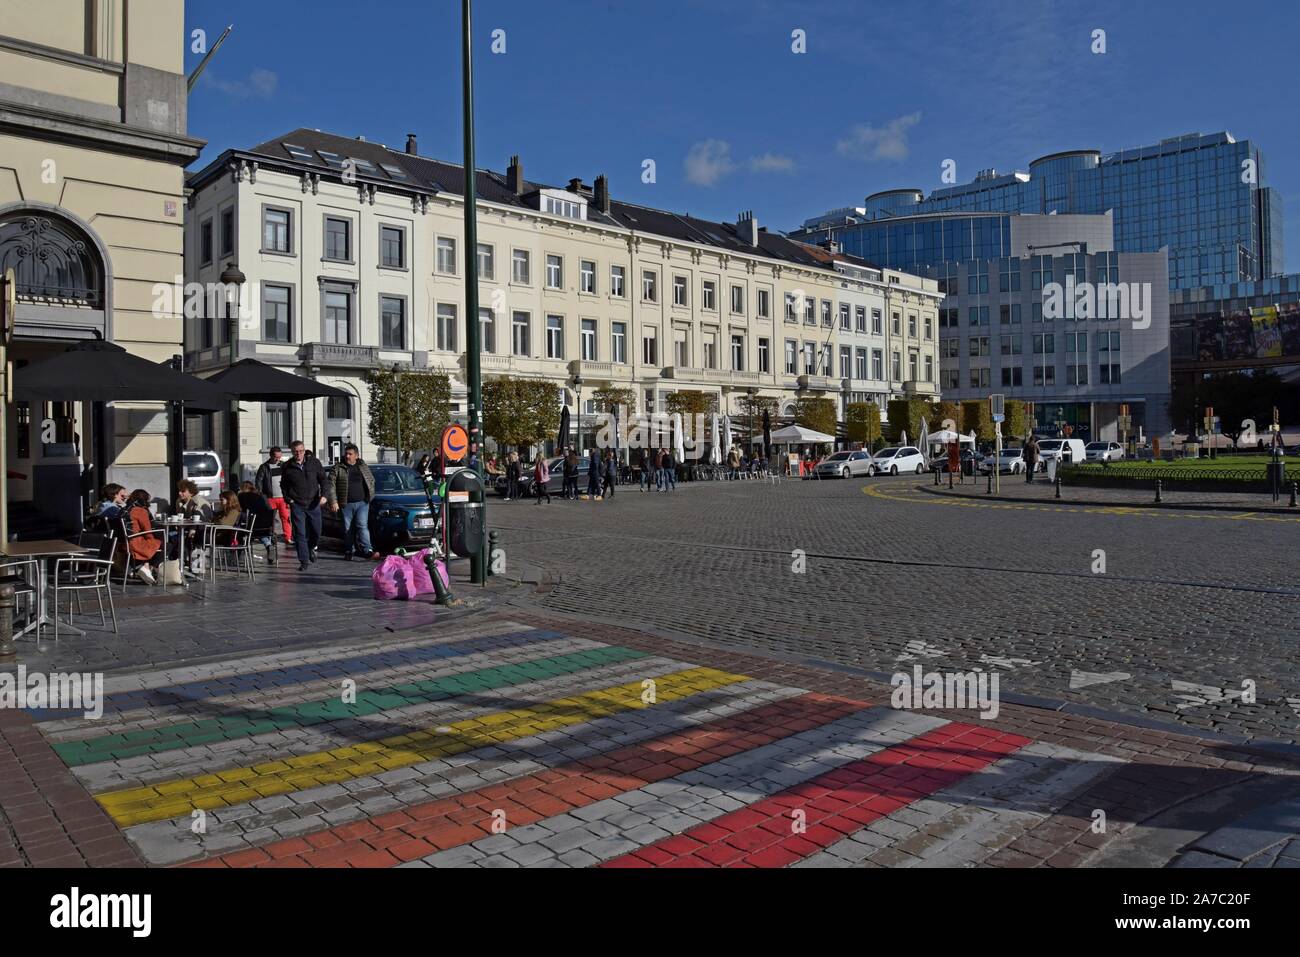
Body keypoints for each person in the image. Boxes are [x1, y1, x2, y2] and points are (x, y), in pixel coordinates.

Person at [280, 439, 330, 571]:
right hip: (297, 504)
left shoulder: (314, 463)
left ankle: (310, 547)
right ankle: (304, 561)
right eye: (296, 451)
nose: (299, 454)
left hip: (314, 503)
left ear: (304, 450)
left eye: (301, 451)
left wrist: (324, 496)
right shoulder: (287, 466)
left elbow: (324, 480)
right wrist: (288, 499)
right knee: (300, 534)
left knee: (316, 531)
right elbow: (283, 485)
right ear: (292, 452)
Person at [329, 443, 380, 561]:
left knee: (362, 526)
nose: (347, 456)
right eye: (346, 453)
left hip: (362, 503)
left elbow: (371, 480)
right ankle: (349, 550)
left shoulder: (362, 466)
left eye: (350, 454)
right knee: (347, 528)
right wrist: (334, 501)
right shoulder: (338, 467)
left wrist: (369, 497)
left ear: (356, 456)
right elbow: (330, 485)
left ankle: (368, 550)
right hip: (345, 504)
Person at [255, 446, 293, 548]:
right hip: (270, 497)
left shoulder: (283, 466)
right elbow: (259, 482)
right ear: (271, 455)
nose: (278, 459)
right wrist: (261, 495)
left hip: (283, 497)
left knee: (285, 517)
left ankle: (288, 538)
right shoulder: (264, 467)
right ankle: (270, 536)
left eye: (279, 457)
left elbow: (289, 480)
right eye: (276, 457)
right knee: (270, 519)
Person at [124, 489, 162, 584]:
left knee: (158, 542)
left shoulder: (126, 509)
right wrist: (154, 539)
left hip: (125, 543)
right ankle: (146, 568)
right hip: (136, 543)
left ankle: (145, 566)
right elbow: (148, 531)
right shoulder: (140, 511)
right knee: (166, 545)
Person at [239, 481, 278, 563]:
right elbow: (269, 509)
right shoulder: (262, 496)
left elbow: (241, 510)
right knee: (259, 531)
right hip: (266, 525)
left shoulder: (242, 496)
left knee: (242, 530)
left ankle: (239, 552)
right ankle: (268, 545)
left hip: (252, 525)